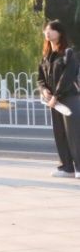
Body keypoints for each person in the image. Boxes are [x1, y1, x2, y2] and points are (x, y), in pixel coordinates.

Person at [37, 20, 80, 178]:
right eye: (46, 30)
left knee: (74, 134)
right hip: (54, 102)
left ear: (60, 33)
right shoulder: (46, 56)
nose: (47, 32)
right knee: (60, 134)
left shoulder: (69, 53)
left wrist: (56, 96)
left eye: (52, 30)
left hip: (69, 98)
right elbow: (40, 78)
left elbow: (67, 77)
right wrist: (44, 91)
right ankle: (67, 167)